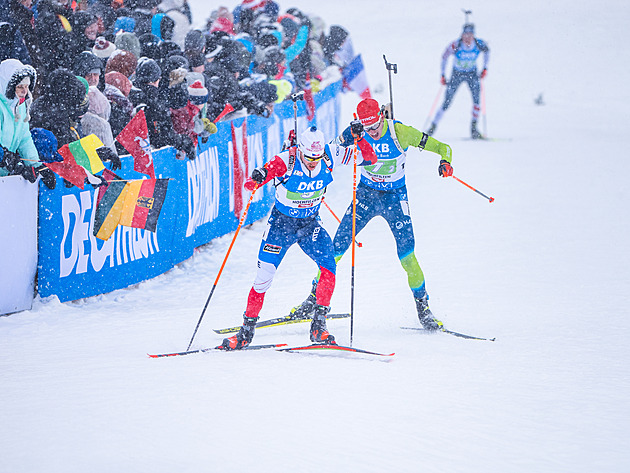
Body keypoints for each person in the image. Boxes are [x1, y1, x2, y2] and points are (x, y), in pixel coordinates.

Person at [292, 98, 454, 331]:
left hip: (395, 198)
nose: (373, 132)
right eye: (368, 129)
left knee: (407, 257)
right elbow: (324, 153)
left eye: (376, 126)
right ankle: (312, 301)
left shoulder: (400, 132)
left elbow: (442, 147)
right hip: (366, 197)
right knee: (334, 251)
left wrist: (445, 161)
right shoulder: (356, 133)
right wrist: (344, 138)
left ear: (382, 115)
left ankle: (424, 310)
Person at [221, 125, 377, 350]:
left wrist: (359, 137)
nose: (314, 161)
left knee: (329, 267)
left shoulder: (330, 154)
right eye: (309, 157)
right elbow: (262, 175)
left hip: (310, 224)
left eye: (317, 156)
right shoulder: (287, 159)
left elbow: (369, 158)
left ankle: (318, 326)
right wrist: (258, 178)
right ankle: (245, 332)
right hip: (281, 226)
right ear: (300, 149)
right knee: (264, 277)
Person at [427, 23, 489, 140]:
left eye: (470, 35)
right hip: (457, 73)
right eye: (465, 35)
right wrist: (442, 74)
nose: (467, 38)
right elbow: (444, 56)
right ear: (462, 35)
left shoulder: (478, 44)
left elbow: (487, 51)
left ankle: (474, 129)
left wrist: (485, 68)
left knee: (477, 101)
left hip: (472, 73)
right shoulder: (456, 44)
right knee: (447, 102)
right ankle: (432, 127)